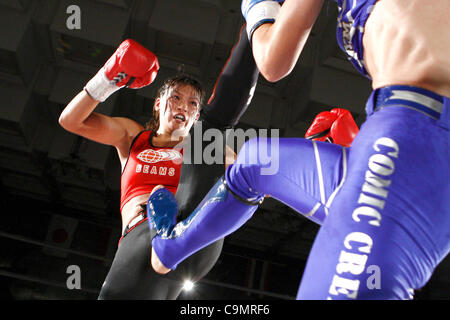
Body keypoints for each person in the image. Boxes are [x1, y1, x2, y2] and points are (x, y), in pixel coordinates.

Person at [147, 0, 449, 300]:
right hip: (408, 140)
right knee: (257, 161)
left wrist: (258, 7)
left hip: (414, 134)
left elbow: (273, 61)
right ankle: (170, 247)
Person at [58, 25, 259, 299]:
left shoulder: (204, 146)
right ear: (158, 103)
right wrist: (107, 80)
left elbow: (249, 181)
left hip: (193, 235)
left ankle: (257, 29)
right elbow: (70, 121)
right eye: (176, 97)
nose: (183, 107)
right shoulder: (133, 136)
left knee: (214, 137)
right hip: (139, 241)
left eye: (192, 104)